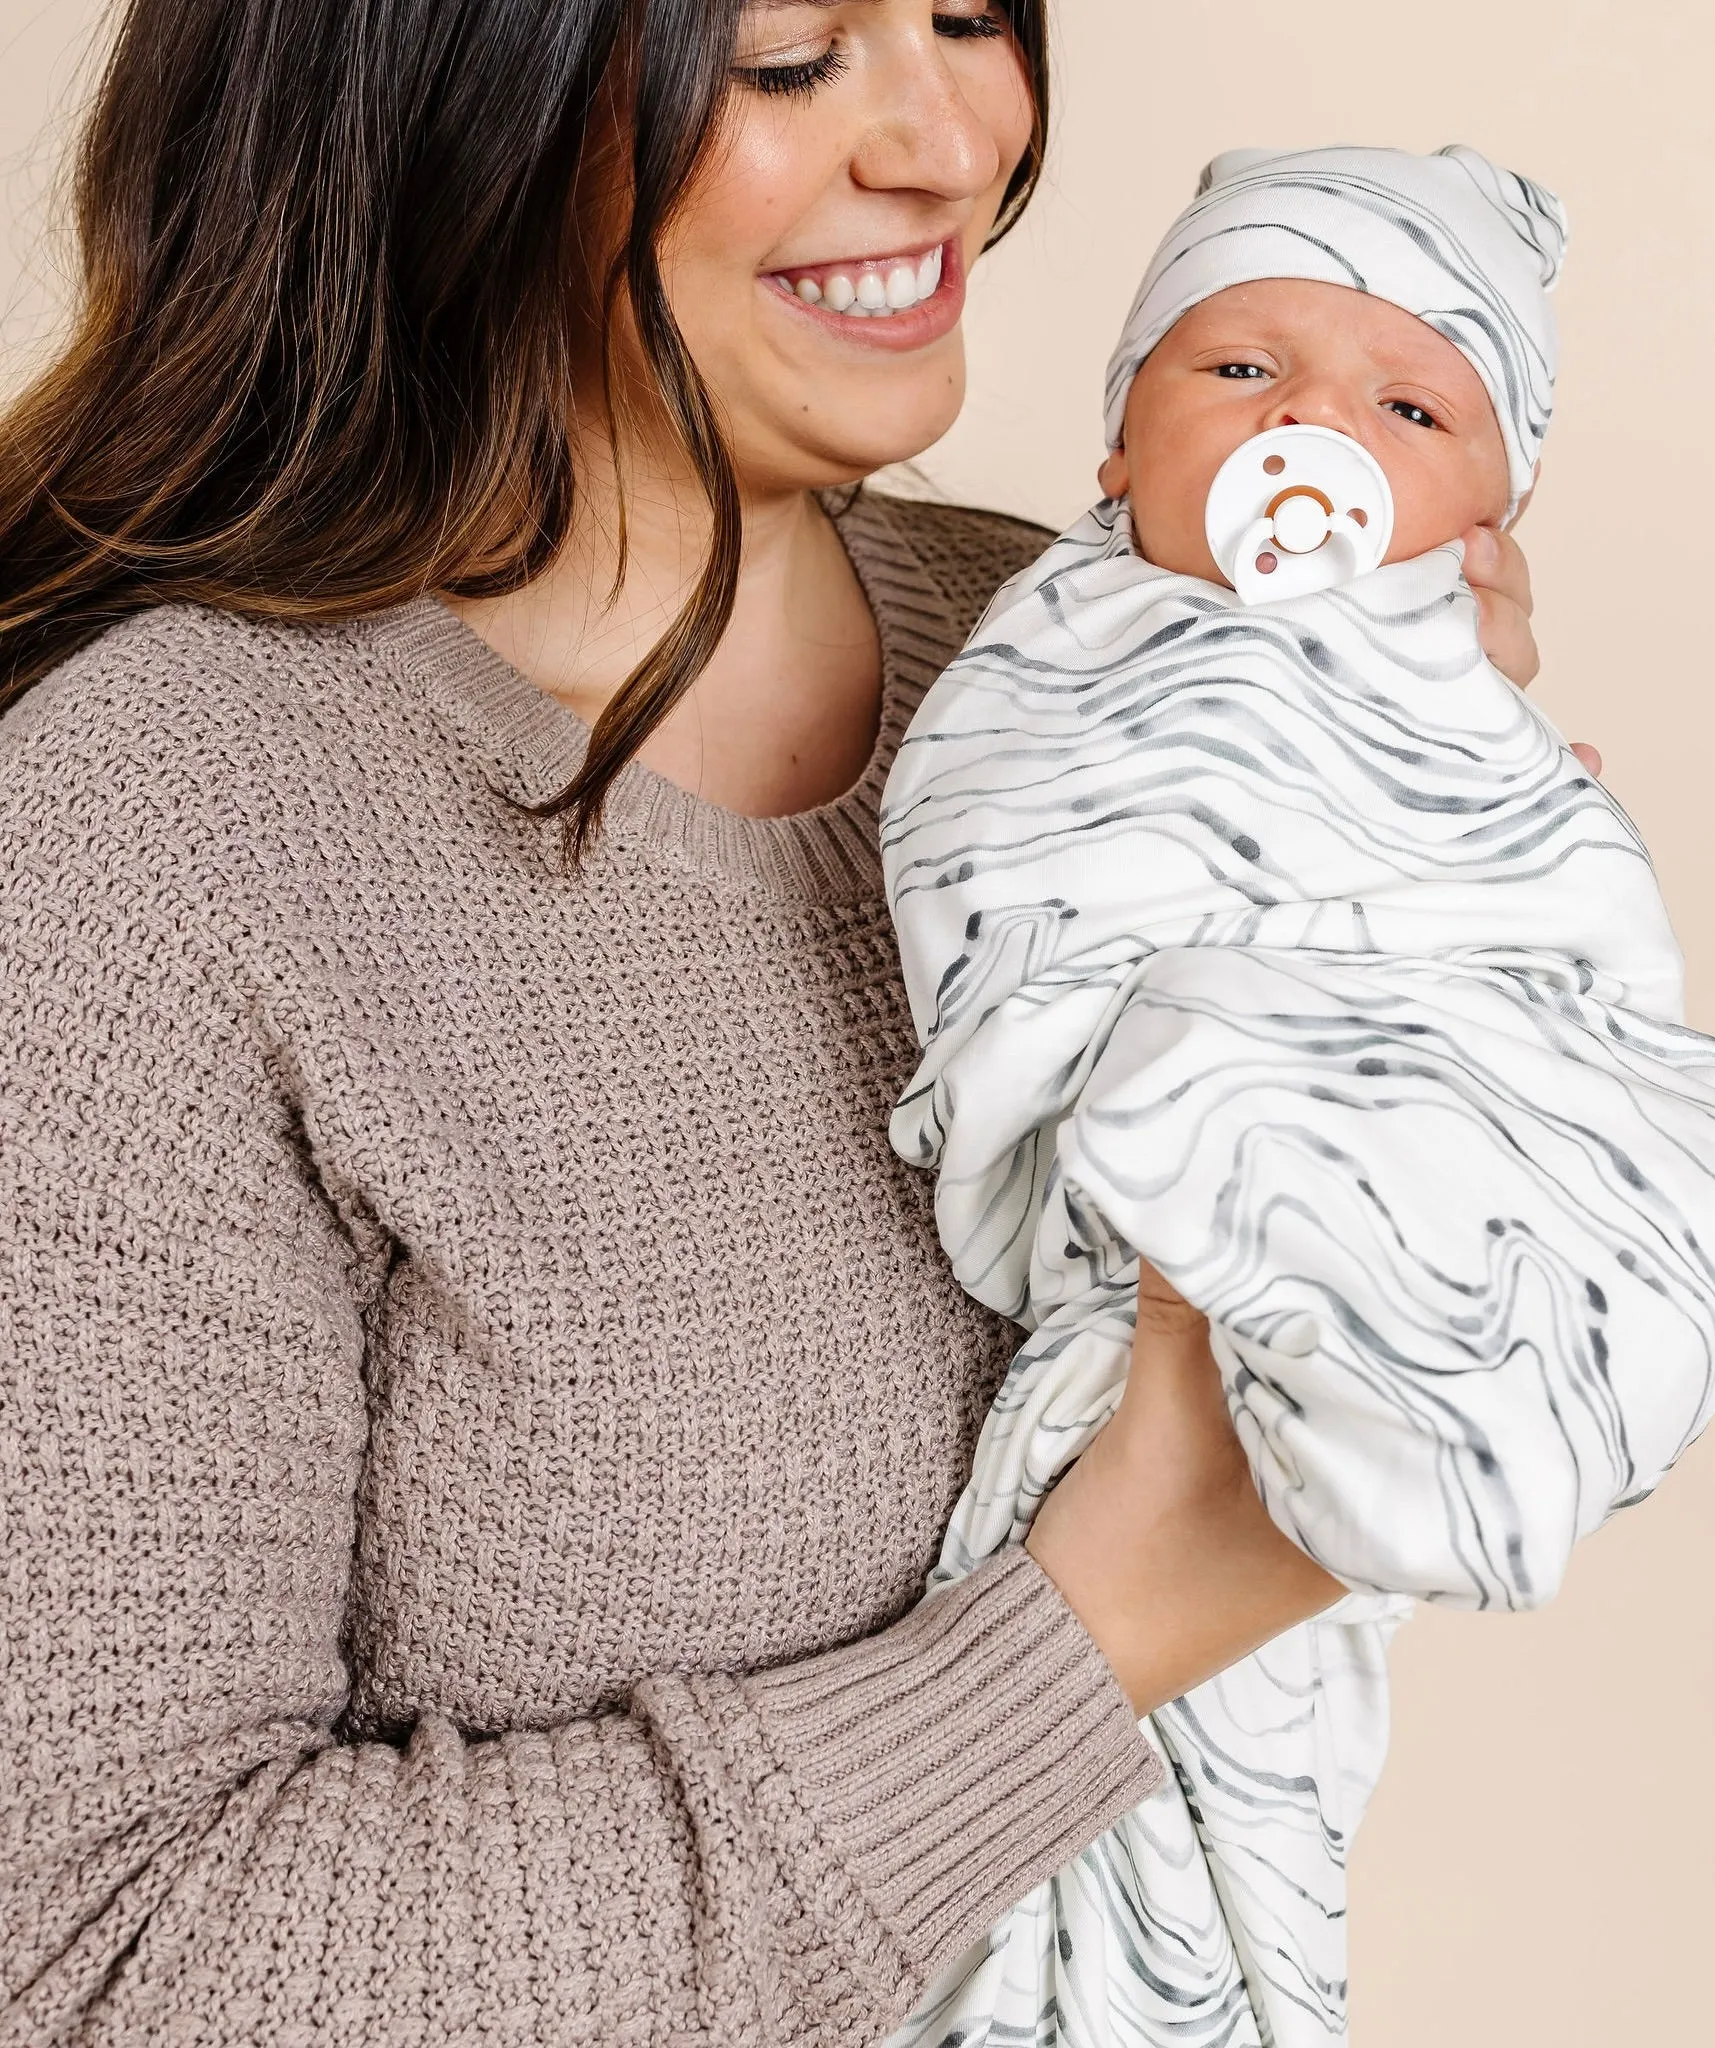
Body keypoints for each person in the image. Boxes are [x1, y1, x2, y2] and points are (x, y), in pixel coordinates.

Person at [0, 11, 1558, 2046]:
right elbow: (101, 1960)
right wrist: (1097, 1628)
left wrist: (1436, 874)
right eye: (789, 52)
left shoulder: (1099, 669)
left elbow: (1495, 1347)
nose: (946, 140)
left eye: (968, 20)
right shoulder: (161, 830)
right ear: (453, 85)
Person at [879, 144, 1715, 2048]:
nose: (1316, 423)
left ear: (1487, 517)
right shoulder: (1038, 649)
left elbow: (1561, 937)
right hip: (1157, 1167)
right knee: (1227, 1070)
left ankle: (1434, 1394)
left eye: (1411, 407)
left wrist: (1446, 759)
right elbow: (992, 863)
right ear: (1119, 451)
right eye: (1240, 370)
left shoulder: (1460, 686)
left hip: (1399, 1100)